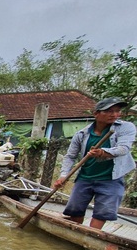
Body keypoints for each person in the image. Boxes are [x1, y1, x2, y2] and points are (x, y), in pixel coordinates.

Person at [53, 97, 136, 230]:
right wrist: (63, 176)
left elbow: (123, 149)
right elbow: (70, 157)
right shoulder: (82, 134)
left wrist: (102, 152)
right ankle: (75, 233)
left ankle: (92, 234)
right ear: (96, 113)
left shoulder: (125, 128)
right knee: (75, 209)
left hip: (111, 178)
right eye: (109, 111)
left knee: (103, 212)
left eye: (117, 111)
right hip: (85, 177)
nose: (114, 115)